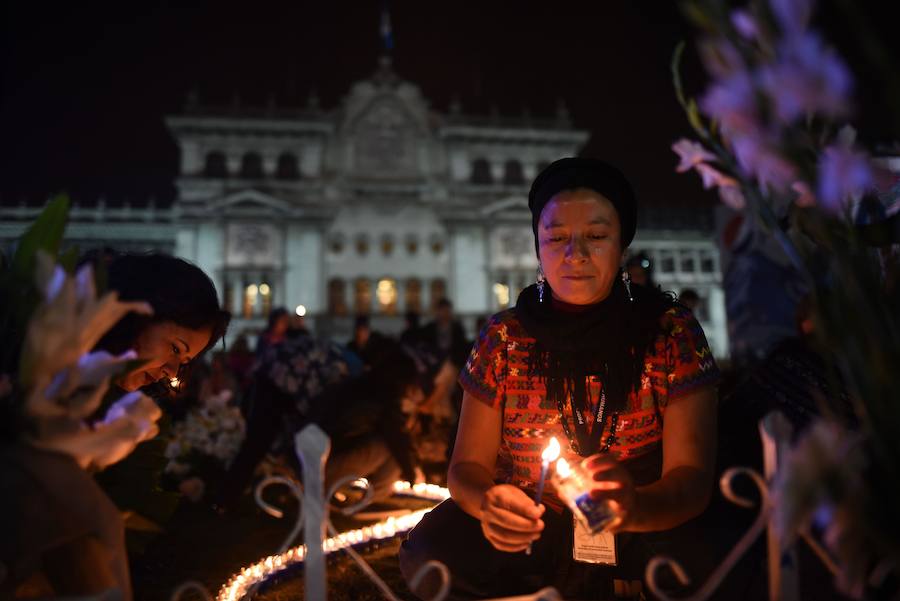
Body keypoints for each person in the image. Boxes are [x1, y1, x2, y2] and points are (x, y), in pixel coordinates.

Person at [400, 158, 720, 599]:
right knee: (430, 552)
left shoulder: (670, 331)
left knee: (712, 555)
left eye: (596, 235)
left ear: (622, 244)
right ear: (537, 246)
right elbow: (466, 467)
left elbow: (691, 477)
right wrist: (491, 505)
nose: (576, 254)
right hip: (533, 521)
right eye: (556, 237)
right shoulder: (505, 336)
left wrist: (634, 507)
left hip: (637, 521)